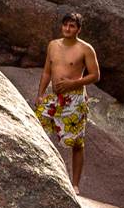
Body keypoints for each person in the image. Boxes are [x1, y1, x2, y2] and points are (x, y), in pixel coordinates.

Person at [35, 11, 99, 195]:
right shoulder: (53, 45)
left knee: (77, 142)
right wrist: (40, 94)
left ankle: (75, 184)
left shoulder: (86, 49)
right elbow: (47, 71)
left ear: (78, 29)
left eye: (72, 26)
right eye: (65, 25)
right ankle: (43, 171)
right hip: (54, 98)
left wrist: (73, 83)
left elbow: (95, 75)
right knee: (38, 130)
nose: (67, 28)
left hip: (75, 99)